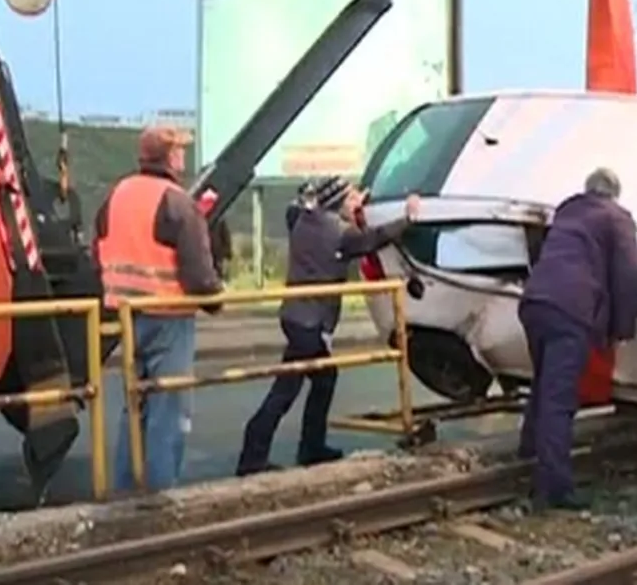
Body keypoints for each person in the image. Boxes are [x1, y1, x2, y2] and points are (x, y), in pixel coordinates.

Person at [235, 178, 419, 475]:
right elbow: (373, 239)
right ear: (335, 204)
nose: (354, 204)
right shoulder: (337, 232)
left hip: (298, 317)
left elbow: (299, 204)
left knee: (324, 379)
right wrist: (409, 217)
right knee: (285, 390)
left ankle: (312, 446)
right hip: (309, 320)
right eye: (349, 200)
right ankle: (253, 459)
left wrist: (343, 200)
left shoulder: (301, 219)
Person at [95, 126, 223, 492]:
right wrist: (216, 300)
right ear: (169, 157)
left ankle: (124, 491)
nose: (183, 156)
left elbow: (97, 249)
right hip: (169, 318)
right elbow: (199, 274)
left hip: (125, 314)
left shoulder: (116, 195)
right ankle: (160, 497)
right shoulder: (177, 201)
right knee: (169, 409)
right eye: (179, 150)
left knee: (134, 407)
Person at [518, 168, 637, 509]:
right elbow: (628, 275)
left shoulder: (567, 212)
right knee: (560, 397)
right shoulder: (617, 218)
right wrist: (621, 328)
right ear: (615, 194)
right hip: (570, 310)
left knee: (544, 382)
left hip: (534, 302)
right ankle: (555, 487)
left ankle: (527, 452)